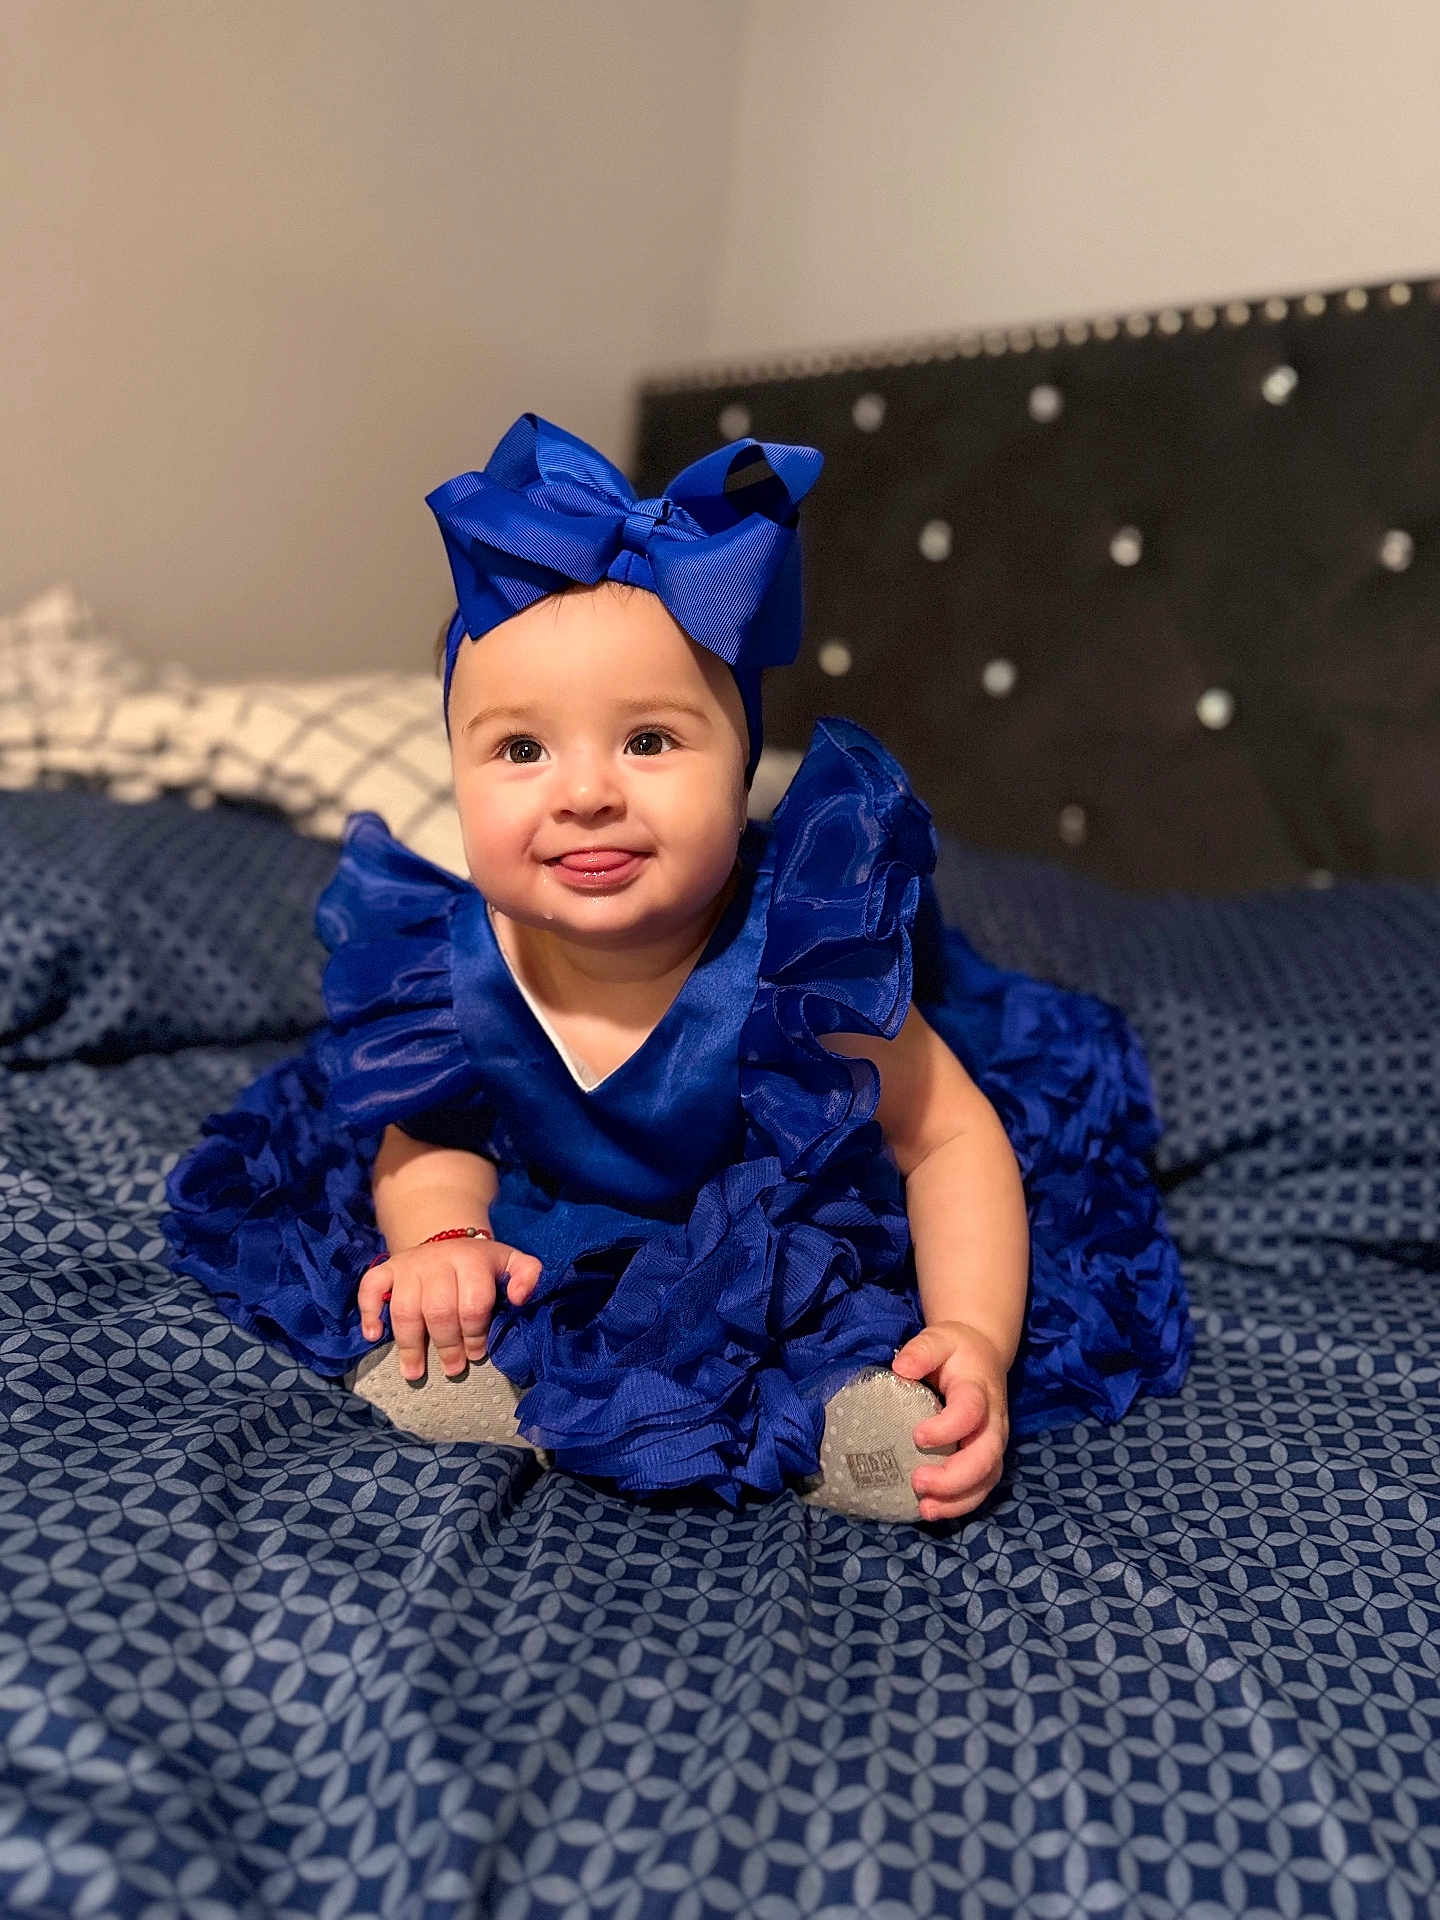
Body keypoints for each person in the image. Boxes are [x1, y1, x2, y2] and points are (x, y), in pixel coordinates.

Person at [160, 413, 1193, 1525]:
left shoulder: (804, 967)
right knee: (407, 1263)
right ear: (454, 773)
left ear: (742, 764)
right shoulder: (443, 968)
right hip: (570, 1206)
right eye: (520, 749)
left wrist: (977, 1337)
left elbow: (943, 1135)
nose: (586, 792)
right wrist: (445, 1241)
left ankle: (873, 1416)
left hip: (776, 1200)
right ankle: (474, 1361)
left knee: (822, 1279)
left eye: (649, 740)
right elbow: (432, 1128)